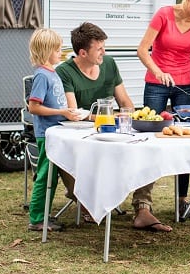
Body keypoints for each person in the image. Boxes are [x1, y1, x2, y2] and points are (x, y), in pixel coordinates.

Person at [57, 22, 172, 232]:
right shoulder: (65, 72)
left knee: (148, 149)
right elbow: (74, 113)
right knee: (65, 152)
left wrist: (121, 116)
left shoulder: (109, 64)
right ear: (82, 52)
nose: (104, 52)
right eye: (99, 48)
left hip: (113, 130)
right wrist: (108, 117)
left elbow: (126, 104)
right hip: (82, 134)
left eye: (104, 47)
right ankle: (85, 199)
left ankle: (143, 209)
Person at [137, 0, 190, 218]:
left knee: (185, 139)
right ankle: (142, 205)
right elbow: (142, 50)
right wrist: (158, 73)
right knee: (150, 141)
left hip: (184, 86)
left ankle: (182, 202)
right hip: (156, 84)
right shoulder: (164, 14)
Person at [26, 28, 81, 232]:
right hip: (47, 135)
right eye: (57, 49)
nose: (61, 53)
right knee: (44, 176)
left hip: (56, 133)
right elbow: (33, 106)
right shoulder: (42, 75)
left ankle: (44, 215)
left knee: (51, 176)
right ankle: (37, 218)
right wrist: (61, 111)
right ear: (47, 50)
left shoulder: (52, 73)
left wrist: (68, 113)